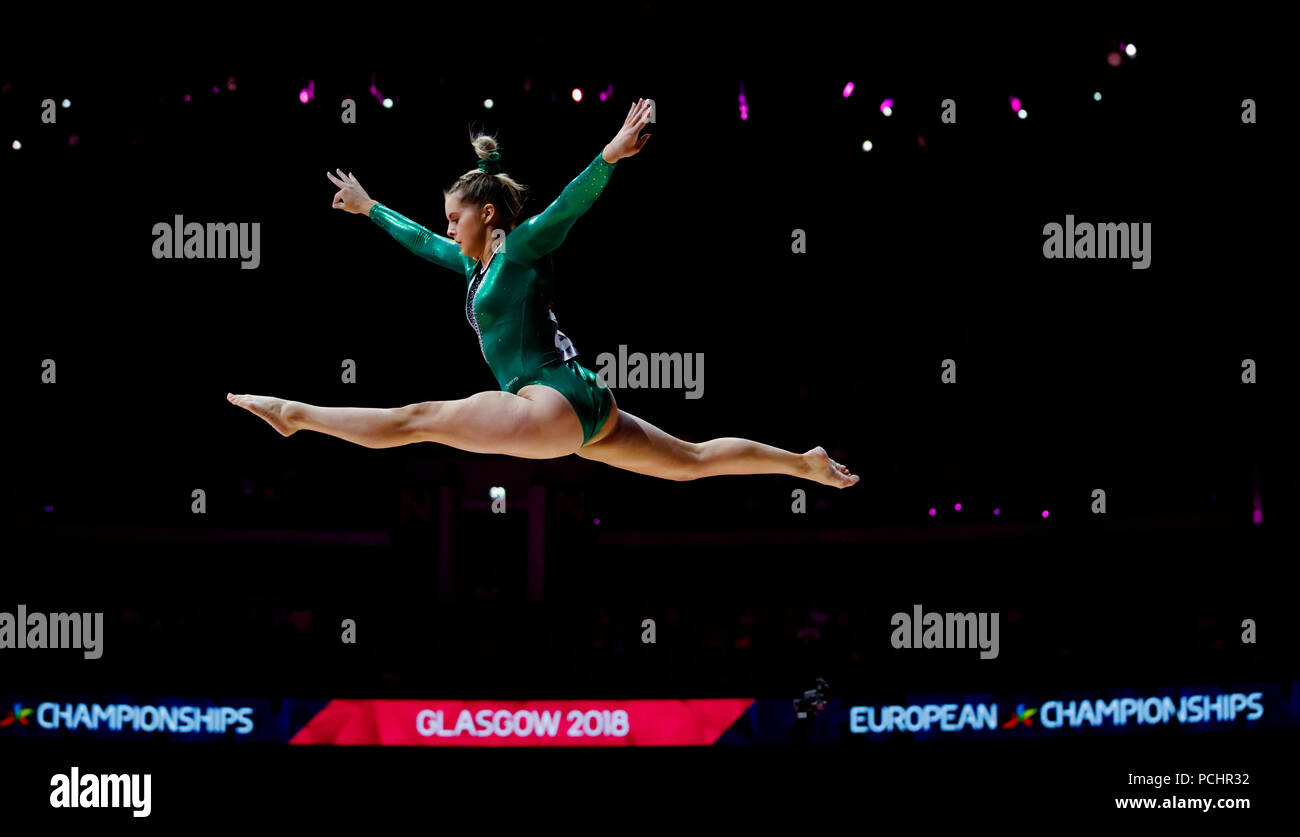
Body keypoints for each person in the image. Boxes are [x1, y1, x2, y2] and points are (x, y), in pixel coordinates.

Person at [229, 99, 857, 487]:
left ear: (489, 215)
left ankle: (295, 416)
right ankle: (801, 463)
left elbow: (564, 210)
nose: (450, 228)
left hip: (548, 403)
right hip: (588, 402)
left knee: (416, 420)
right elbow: (423, 242)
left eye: (457, 217)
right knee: (690, 460)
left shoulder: (522, 248)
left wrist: (607, 157)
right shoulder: (481, 267)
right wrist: (370, 209)